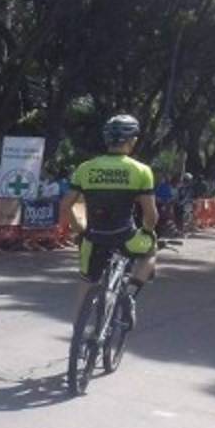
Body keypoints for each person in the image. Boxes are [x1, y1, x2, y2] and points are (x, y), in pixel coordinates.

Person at [58, 114, 158, 325]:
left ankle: (79, 331)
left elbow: (66, 206)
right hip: (125, 236)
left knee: (86, 281)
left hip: (94, 237)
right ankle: (130, 294)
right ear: (132, 140)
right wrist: (148, 232)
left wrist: (80, 230)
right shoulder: (141, 170)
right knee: (150, 251)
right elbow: (151, 215)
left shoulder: (85, 168)